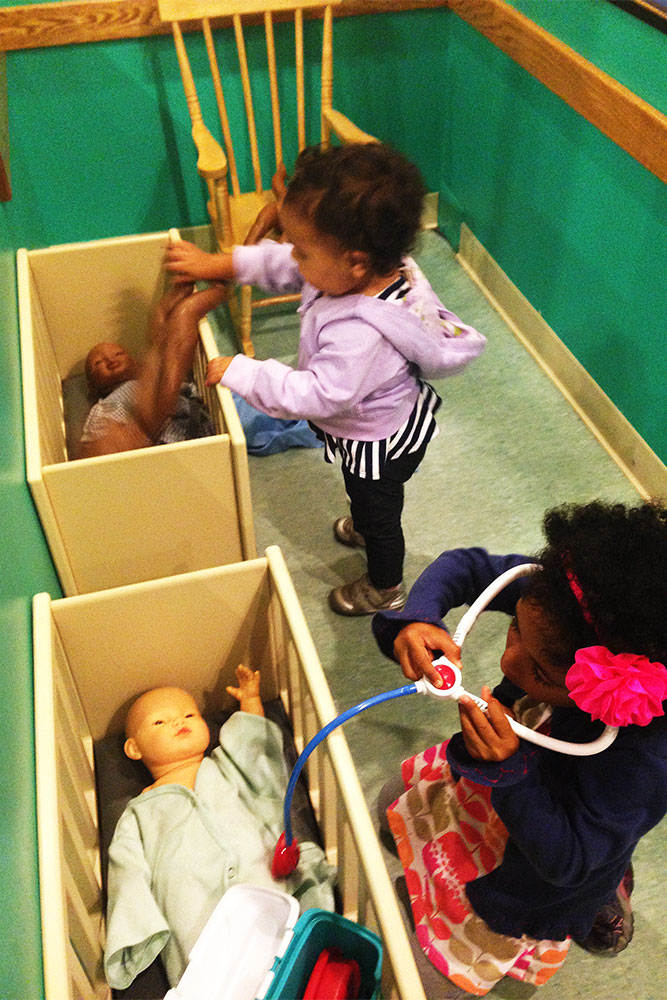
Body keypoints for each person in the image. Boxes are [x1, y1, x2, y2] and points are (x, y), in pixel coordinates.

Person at [164, 142, 486, 616]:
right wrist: (222, 264)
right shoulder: (354, 267)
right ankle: (363, 519)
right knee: (364, 497)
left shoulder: (363, 333)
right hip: (372, 420)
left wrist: (245, 371)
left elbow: (318, 394)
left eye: (302, 248)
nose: (293, 256)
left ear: (354, 260)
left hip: (379, 442)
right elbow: (284, 265)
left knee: (379, 516)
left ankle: (385, 586)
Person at [372, 500, 667, 995]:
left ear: (610, 689)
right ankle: (608, 853)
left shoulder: (646, 762)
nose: (508, 664)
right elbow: (466, 568)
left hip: (543, 854)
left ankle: (606, 889)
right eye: (515, 631)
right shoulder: (565, 602)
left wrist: (509, 770)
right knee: (387, 808)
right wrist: (420, 617)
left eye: (541, 672)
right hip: (508, 781)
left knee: (411, 979)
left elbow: (567, 859)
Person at [103, 665, 335, 990]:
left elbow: (254, 753)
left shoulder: (226, 765)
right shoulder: (139, 813)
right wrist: (132, 931)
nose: (179, 722)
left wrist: (251, 702)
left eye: (189, 715)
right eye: (160, 721)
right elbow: (126, 869)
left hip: (264, 881)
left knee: (298, 955)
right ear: (134, 748)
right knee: (213, 977)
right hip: (199, 914)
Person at [79, 279, 225, 458]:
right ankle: (200, 302)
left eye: (118, 354)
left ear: (134, 363)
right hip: (155, 443)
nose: (110, 359)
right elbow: (95, 453)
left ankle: (175, 308)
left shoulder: (144, 379)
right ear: (93, 385)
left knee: (157, 350)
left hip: (182, 422)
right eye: (98, 363)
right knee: (159, 354)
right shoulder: (101, 409)